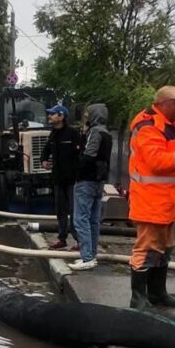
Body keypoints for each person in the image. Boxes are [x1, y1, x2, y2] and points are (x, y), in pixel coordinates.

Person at [127, 86, 175, 309]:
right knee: (146, 247)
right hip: (150, 200)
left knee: (164, 247)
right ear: (162, 104)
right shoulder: (148, 127)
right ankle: (138, 297)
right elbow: (157, 162)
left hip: (168, 201)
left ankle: (157, 293)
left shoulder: (172, 126)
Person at [68, 104, 112, 271]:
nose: (85, 118)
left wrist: (76, 169)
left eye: (88, 115)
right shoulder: (107, 133)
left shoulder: (95, 133)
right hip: (99, 181)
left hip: (86, 180)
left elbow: (89, 155)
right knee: (93, 220)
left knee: (80, 219)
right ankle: (91, 255)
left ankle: (86, 256)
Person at [41, 105, 81, 250]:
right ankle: (62, 239)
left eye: (52, 114)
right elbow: (46, 150)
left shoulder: (73, 134)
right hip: (58, 179)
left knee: (74, 211)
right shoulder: (53, 134)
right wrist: (43, 160)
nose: (49, 117)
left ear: (61, 116)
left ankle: (79, 240)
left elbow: (81, 154)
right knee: (60, 211)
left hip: (72, 179)